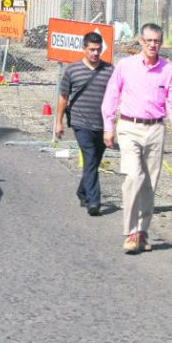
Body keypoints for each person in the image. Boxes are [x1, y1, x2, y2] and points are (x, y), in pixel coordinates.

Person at [101, 23, 172, 254]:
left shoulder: (168, 70)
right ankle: (129, 232)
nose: (152, 45)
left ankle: (142, 231)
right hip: (129, 126)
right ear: (140, 41)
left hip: (156, 128)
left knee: (149, 183)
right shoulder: (126, 66)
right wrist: (108, 127)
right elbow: (111, 95)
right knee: (133, 176)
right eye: (148, 40)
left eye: (156, 41)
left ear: (161, 43)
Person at [55, 32, 114, 216]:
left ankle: (82, 191)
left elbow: (117, 95)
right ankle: (94, 202)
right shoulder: (72, 71)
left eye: (98, 50)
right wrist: (58, 122)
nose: (95, 54)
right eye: (91, 50)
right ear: (84, 49)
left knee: (94, 162)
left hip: (102, 126)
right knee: (89, 159)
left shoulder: (110, 71)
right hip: (81, 123)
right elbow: (63, 97)